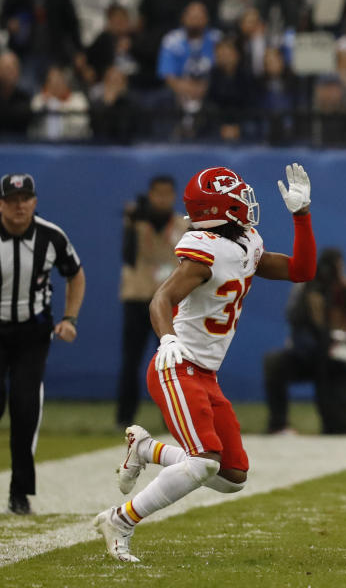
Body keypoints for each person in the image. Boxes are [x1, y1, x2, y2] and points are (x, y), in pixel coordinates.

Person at [93, 164, 317, 562]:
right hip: (176, 367)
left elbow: (302, 270)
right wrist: (167, 339)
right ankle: (120, 520)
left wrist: (302, 217)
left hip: (205, 375)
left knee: (232, 476)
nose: (247, 203)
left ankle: (146, 449)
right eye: (237, 197)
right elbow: (160, 299)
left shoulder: (246, 242)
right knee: (203, 462)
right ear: (219, 207)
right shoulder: (204, 251)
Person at [0, 173, 85, 515]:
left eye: (25, 200)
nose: (19, 207)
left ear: (34, 202)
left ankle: (19, 494)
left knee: (25, 409)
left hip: (33, 334)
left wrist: (70, 318)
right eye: (12, 200)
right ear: (1, 203)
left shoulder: (51, 237)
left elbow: (75, 273)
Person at [263, 248, 346, 435]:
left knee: (337, 423)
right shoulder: (305, 287)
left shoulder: (344, 289)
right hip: (309, 353)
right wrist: (308, 289)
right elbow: (293, 316)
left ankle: (337, 428)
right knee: (274, 364)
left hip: (338, 359)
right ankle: (278, 425)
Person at [115, 176, 189, 428]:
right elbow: (128, 256)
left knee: (171, 361)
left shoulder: (181, 224)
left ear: (174, 196)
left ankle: (171, 419)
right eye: (157, 194)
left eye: (167, 194)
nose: (162, 199)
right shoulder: (136, 222)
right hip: (138, 296)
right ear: (150, 194)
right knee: (131, 360)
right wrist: (133, 220)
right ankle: (124, 417)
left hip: (169, 300)